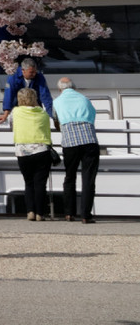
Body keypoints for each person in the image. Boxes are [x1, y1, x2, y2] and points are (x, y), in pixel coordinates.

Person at [54, 77, 99, 224]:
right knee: (88, 179)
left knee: (69, 177)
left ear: (60, 89)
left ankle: (69, 213)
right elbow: (92, 116)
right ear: (74, 87)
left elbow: (56, 119)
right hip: (89, 140)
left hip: (70, 142)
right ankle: (86, 215)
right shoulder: (84, 99)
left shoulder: (57, 101)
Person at [9, 86, 54, 221]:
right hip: (41, 150)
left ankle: (30, 211)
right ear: (34, 98)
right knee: (40, 183)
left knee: (28, 183)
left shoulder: (15, 112)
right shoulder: (42, 112)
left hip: (22, 151)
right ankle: (40, 213)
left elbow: (12, 126)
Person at [0, 56, 54, 124]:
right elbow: (9, 96)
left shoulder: (39, 76)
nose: (34, 74)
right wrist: (6, 114)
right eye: (31, 72)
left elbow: (45, 95)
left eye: (35, 72)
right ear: (23, 70)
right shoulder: (13, 77)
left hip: (35, 107)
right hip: (18, 107)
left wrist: (49, 115)